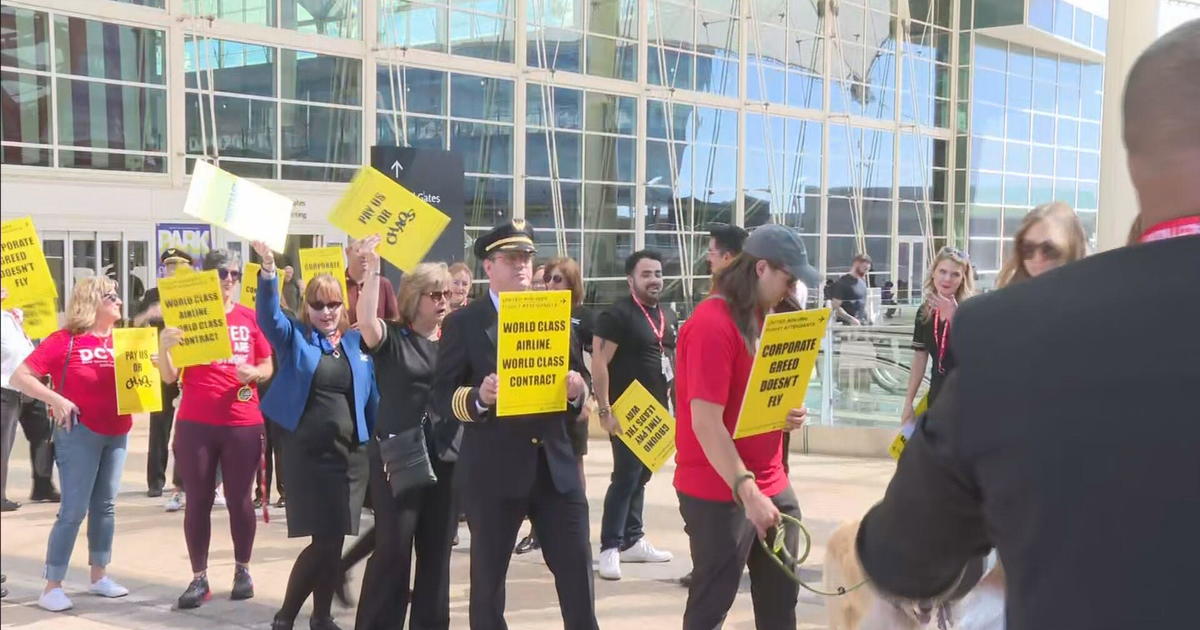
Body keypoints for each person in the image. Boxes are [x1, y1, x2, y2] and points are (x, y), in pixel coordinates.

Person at [854, 20, 1200, 629]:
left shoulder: (1005, 336)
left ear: (1133, 154)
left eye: (1052, 251)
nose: (1039, 262)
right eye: (1029, 248)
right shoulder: (997, 330)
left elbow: (902, 557)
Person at [432, 219, 598, 630]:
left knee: (578, 577)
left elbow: (580, 377)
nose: (523, 265)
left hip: (555, 469)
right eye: (512, 259)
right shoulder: (465, 322)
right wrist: (479, 397)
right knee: (487, 588)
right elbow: (442, 397)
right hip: (493, 470)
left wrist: (578, 388)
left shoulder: (553, 311)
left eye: (526, 257)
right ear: (489, 267)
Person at [673, 224, 811, 628]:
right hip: (719, 488)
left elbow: (746, 398)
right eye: (789, 279)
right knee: (711, 603)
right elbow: (706, 422)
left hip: (770, 478)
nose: (792, 290)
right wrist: (747, 491)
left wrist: (782, 412)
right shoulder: (712, 324)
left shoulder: (762, 318)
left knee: (781, 600)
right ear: (762, 269)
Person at [252, 241, 377, 630]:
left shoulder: (356, 343)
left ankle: (321, 616)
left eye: (333, 304)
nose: (326, 312)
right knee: (323, 542)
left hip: (351, 458)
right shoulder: (295, 339)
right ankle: (286, 615)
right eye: (318, 305)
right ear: (307, 307)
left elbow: (371, 395)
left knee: (334, 541)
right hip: (309, 457)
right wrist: (270, 271)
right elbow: (269, 317)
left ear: (344, 305)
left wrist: (370, 267)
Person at [349, 241, 458, 630]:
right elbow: (365, 321)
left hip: (446, 455)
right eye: (436, 294)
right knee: (394, 550)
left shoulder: (454, 342)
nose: (444, 301)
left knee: (437, 554)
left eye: (447, 293)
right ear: (415, 298)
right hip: (399, 457)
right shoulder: (392, 339)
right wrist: (372, 273)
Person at [156, 249, 273, 609]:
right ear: (206, 276)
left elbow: (267, 362)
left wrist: (256, 373)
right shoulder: (185, 317)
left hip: (241, 420)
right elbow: (168, 375)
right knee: (198, 500)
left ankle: (243, 569)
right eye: (222, 273)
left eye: (235, 274)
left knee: (240, 500)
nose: (229, 280)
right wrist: (164, 346)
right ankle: (199, 577)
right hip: (196, 421)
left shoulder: (248, 317)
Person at [10, 277, 132, 612]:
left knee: (105, 507)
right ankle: (52, 586)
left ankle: (99, 575)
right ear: (93, 301)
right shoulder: (65, 340)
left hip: (119, 430)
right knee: (73, 510)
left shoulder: (125, 341)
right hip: (79, 432)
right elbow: (20, 376)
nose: (119, 301)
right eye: (112, 296)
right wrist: (57, 400)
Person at [592, 250, 677, 581]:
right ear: (631, 280)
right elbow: (599, 363)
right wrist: (605, 409)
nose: (654, 279)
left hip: (655, 413)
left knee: (642, 475)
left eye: (657, 273)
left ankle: (633, 539)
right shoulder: (618, 315)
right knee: (625, 476)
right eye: (646, 274)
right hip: (626, 412)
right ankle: (609, 546)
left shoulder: (665, 314)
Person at [514, 257, 593, 556]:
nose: (550, 284)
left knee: (574, 464)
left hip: (572, 403)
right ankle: (537, 531)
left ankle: (576, 525)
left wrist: (587, 396)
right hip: (539, 404)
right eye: (548, 278)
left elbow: (595, 361)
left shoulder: (583, 317)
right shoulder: (533, 312)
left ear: (572, 283)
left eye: (558, 279)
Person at [133, 247, 191, 503]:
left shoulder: (195, 295)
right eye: (168, 266)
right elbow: (132, 324)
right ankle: (155, 481)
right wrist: (148, 314)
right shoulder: (153, 294)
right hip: (162, 365)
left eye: (178, 265)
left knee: (191, 426)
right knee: (160, 425)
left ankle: (187, 479)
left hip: (190, 365)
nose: (172, 270)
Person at [899, 247, 975, 426]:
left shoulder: (972, 309)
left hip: (966, 396)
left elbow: (977, 356)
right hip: (938, 392)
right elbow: (920, 357)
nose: (947, 279)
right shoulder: (925, 312)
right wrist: (908, 402)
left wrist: (954, 318)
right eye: (942, 271)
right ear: (933, 273)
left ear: (963, 278)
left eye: (955, 274)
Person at [2, 290, 59, 511]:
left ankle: (43, 485)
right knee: (3, 442)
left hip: (31, 385)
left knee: (43, 436)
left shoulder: (17, 316)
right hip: (5, 386)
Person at [996, 201, 1089, 288]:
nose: (1038, 259)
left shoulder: (1096, 297)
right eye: (1028, 249)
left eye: (1049, 249)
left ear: (1073, 249)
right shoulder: (1009, 298)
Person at [344, 239, 399, 326]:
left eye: (370, 251)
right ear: (347, 252)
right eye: (359, 250)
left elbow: (394, 320)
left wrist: (375, 326)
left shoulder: (383, 284)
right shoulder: (337, 284)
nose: (365, 255)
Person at [830, 253, 873, 325]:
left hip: (861, 326)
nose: (866, 272)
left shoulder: (862, 282)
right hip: (845, 327)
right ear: (856, 264)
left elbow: (861, 305)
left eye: (868, 269)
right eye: (865, 268)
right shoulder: (842, 283)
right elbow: (835, 308)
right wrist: (851, 319)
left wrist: (869, 319)